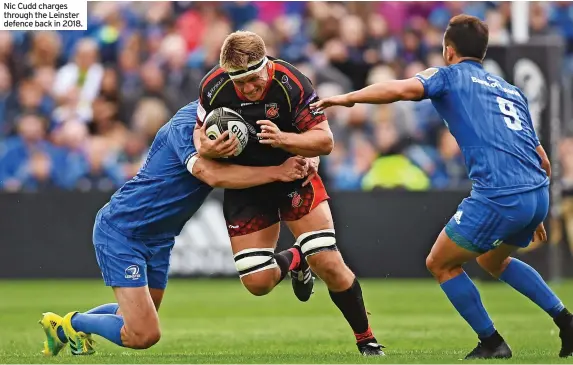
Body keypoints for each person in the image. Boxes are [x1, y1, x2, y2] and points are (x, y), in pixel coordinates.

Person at [311, 14, 573, 360]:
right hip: (535, 190)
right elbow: (543, 159)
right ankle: (565, 320)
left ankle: (492, 342)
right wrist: (532, 206)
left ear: (448, 50)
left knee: (441, 263)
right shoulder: (510, 90)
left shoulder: (448, 77)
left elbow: (400, 88)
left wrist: (348, 98)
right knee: (494, 261)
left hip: (500, 194)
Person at [38, 100, 312, 355]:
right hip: (123, 230)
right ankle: (70, 324)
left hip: (160, 238)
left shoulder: (233, 116)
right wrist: (278, 172)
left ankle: (63, 329)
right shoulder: (184, 125)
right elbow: (210, 174)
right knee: (144, 334)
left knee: (135, 317)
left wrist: (306, 157)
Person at [195, 30, 384, 356]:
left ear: (265, 64)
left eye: (253, 80)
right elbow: (199, 137)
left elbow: (324, 141)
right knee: (257, 282)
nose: (248, 89)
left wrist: (286, 140)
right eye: (239, 83)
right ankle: (297, 259)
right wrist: (209, 146)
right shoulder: (214, 86)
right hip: (248, 185)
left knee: (326, 260)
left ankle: (366, 339)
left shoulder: (291, 82)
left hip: (294, 176)